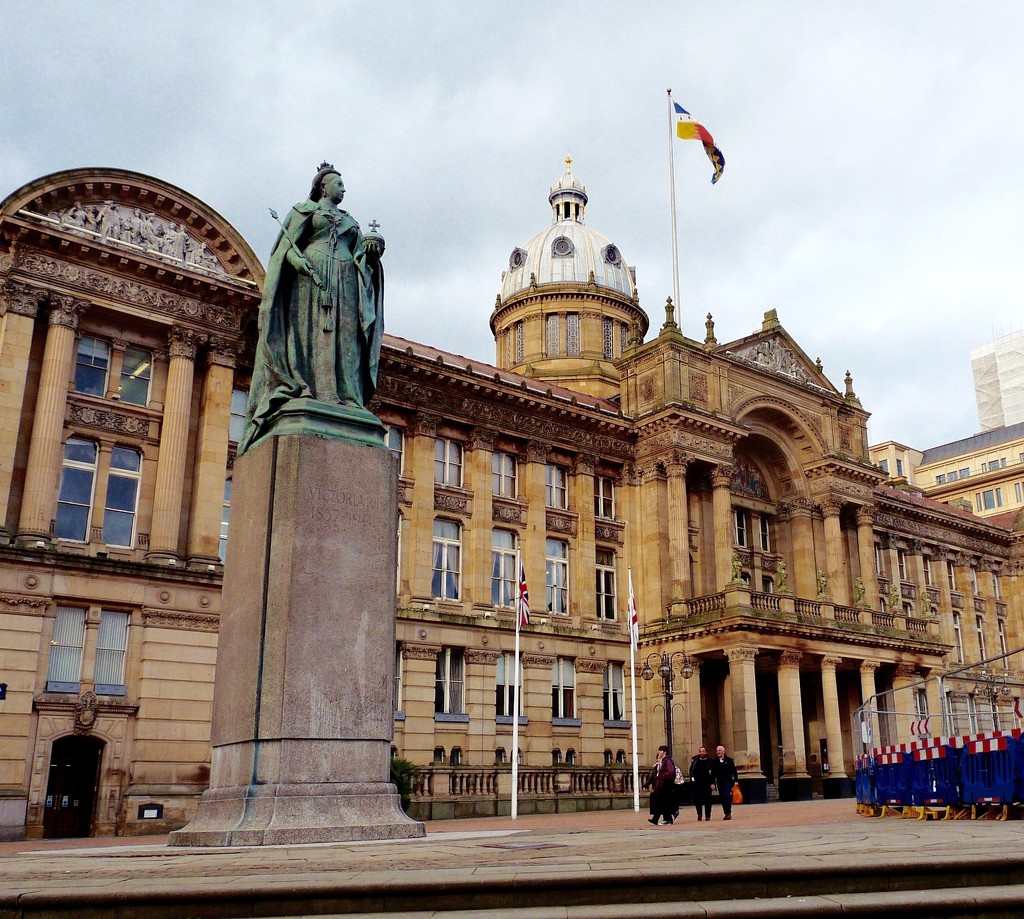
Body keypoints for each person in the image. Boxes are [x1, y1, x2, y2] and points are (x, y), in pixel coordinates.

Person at [240, 161, 385, 454]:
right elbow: (284, 250)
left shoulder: (350, 221)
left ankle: (344, 395)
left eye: (344, 185)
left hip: (346, 283)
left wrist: (372, 250)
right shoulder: (303, 212)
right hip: (310, 279)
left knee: (346, 337)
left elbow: (363, 257)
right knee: (310, 333)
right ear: (323, 186)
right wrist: (297, 262)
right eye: (338, 184)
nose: (343, 189)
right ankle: (310, 388)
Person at [647, 745, 676, 826]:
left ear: (664, 752)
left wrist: (663, 778)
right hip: (662, 784)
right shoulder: (663, 761)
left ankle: (667, 819)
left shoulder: (667, 760)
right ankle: (656, 819)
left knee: (663, 802)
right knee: (661, 802)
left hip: (666, 784)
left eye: (660, 751)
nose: (659, 752)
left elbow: (670, 772)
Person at [711, 744, 739, 820]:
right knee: (722, 798)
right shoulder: (715, 762)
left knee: (727, 796)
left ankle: (728, 812)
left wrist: (736, 781)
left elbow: (734, 771)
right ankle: (726, 812)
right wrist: (712, 783)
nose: (718, 752)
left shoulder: (729, 761)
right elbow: (713, 774)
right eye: (717, 751)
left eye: (719, 750)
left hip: (728, 782)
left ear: (723, 751)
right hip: (720, 782)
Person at [689, 745, 714, 821]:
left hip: (707, 784)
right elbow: (691, 772)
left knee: (708, 801)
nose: (701, 753)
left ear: (706, 752)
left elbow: (713, 773)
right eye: (700, 751)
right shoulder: (695, 761)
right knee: (698, 800)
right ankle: (699, 814)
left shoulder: (710, 761)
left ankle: (708, 815)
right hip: (697, 784)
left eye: (703, 751)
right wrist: (693, 781)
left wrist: (712, 783)